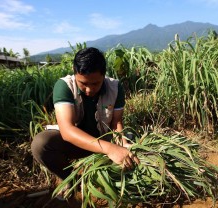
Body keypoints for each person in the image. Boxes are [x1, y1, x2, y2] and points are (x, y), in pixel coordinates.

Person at [31, 47, 140, 199]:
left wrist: (122, 143)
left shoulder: (114, 87)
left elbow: (116, 122)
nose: (89, 90)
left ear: (104, 75)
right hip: (76, 144)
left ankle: (121, 180)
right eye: (83, 83)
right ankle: (69, 179)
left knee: (133, 140)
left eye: (95, 83)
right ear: (74, 72)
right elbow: (67, 131)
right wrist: (110, 149)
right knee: (41, 143)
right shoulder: (64, 86)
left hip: (105, 137)